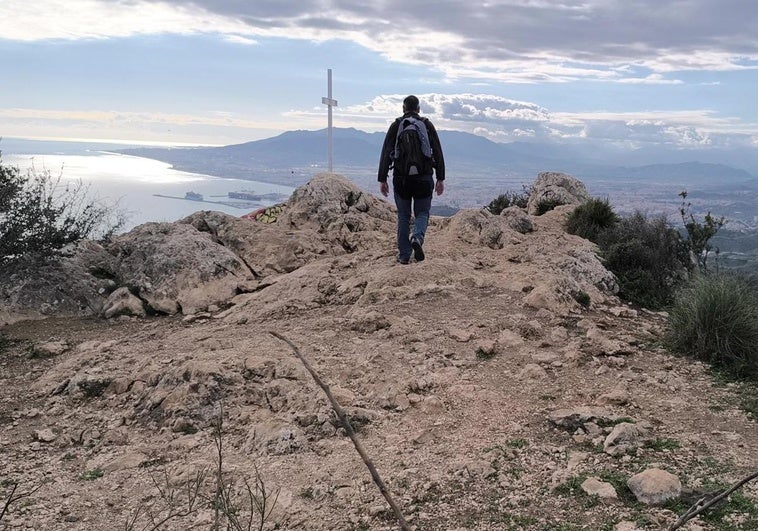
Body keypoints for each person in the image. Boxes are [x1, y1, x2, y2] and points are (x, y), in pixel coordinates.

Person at [378, 95, 445, 264]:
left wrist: (382, 179)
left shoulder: (396, 125)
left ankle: (404, 255)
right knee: (422, 213)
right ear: (418, 109)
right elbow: (437, 151)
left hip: (401, 179)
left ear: (403, 108)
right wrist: (440, 178)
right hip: (424, 177)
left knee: (403, 216)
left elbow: (386, 152)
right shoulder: (427, 125)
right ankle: (417, 238)